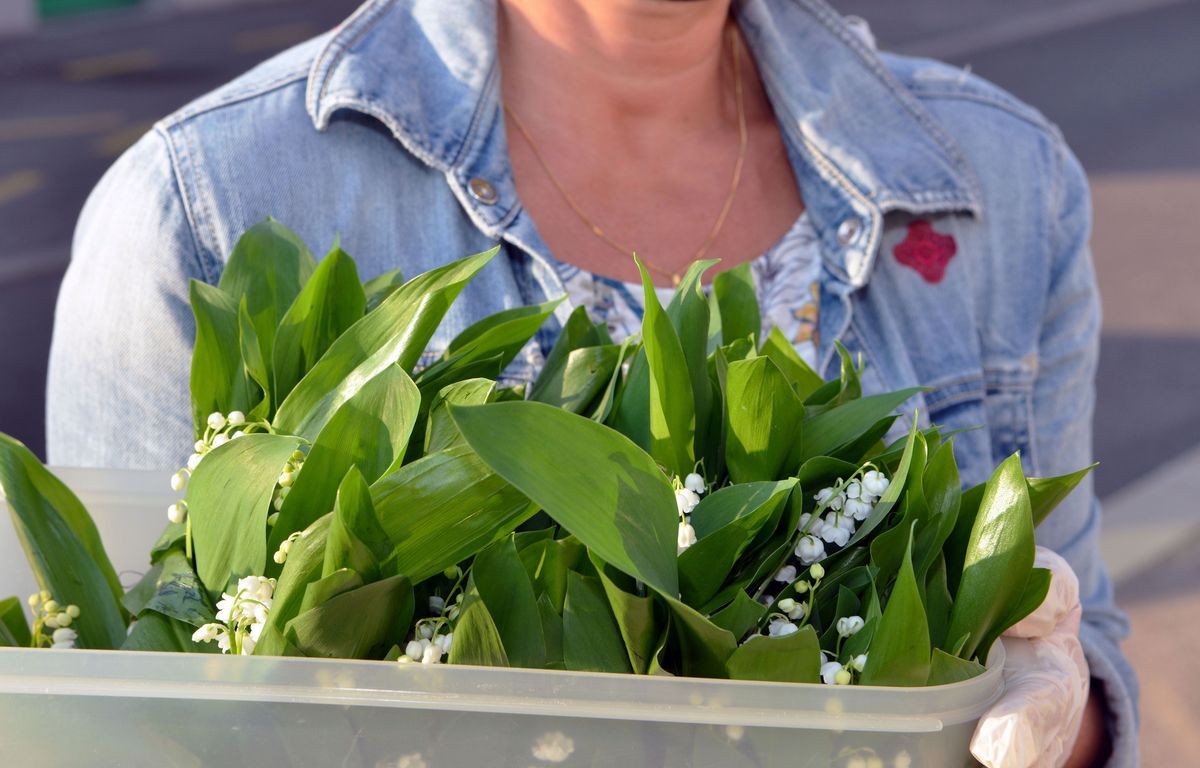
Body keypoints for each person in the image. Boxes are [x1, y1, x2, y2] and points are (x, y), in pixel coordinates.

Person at [46, 0, 1136, 764]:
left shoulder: (1000, 183)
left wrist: (1059, 702)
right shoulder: (204, 207)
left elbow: (1083, 684)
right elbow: (107, 724)